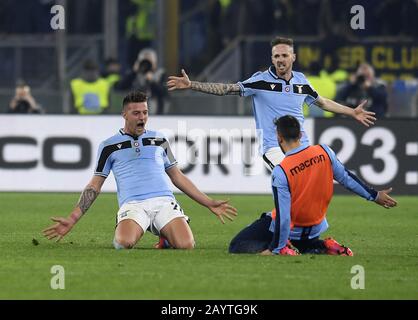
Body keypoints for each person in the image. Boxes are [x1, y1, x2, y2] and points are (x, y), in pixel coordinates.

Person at [42, 91, 237, 250]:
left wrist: (209, 202)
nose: (142, 117)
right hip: (133, 205)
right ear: (124, 115)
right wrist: (73, 218)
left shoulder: (159, 140)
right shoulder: (108, 146)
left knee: (186, 245)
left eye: (145, 112)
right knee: (123, 243)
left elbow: (177, 176)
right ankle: (145, 228)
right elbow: (95, 185)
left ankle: (166, 237)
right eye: (136, 113)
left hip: (164, 202)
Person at [167, 36, 376, 171]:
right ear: (272, 58)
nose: (280, 59)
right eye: (276, 56)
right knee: (290, 179)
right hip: (273, 147)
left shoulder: (301, 81)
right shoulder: (260, 81)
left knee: (310, 186)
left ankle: (298, 231)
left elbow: (322, 103)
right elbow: (226, 89)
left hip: (301, 145)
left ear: (293, 57)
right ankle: (281, 231)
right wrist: (192, 84)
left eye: (285, 55)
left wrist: (352, 112)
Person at [229, 115, 397, 256]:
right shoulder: (324, 152)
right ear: (300, 135)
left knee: (238, 244)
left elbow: (284, 216)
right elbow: (347, 178)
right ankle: (324, 246)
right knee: (303, 243)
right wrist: (374, 195)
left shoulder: (281, 171)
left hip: (294, 228)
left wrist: (276, 249)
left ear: (279, 138)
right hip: (315, 227)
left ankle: (284, 247)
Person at [115, 48, 167, 115]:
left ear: (155, 62)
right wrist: (133, 73)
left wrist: (152, 82)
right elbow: (120, 87)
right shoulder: (133, 75)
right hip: (134, 113)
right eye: (144, 61)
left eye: (149, 61)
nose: (146, 65)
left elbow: (164, 94)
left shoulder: (161, 74)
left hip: (155, 113)